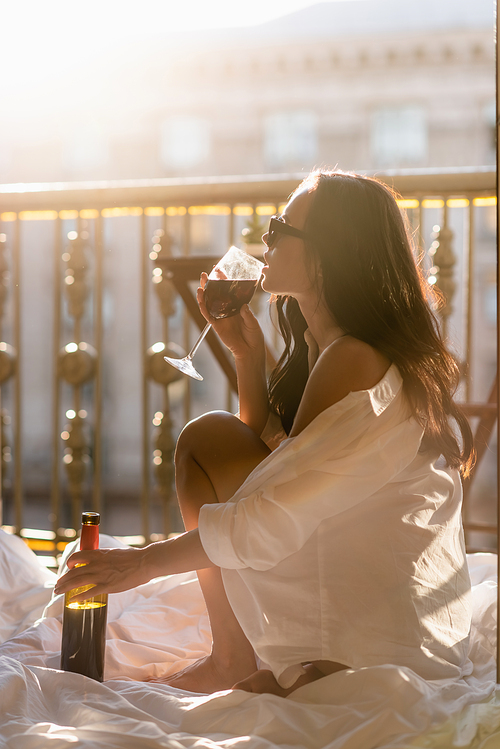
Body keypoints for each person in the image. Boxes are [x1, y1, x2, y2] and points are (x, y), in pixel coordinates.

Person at [55, 170, 474, 697]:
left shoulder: (352, 357)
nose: (265, 240)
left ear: (326, 253)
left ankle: (244, 657)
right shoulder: (340, 348)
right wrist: (248, 355)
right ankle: (231, 656)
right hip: (379, 583)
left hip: (382, 633)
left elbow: (273, 506)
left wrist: (141, 563)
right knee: (208, 439)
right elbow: (274, 461)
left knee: (206, 439)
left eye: (280, 228)